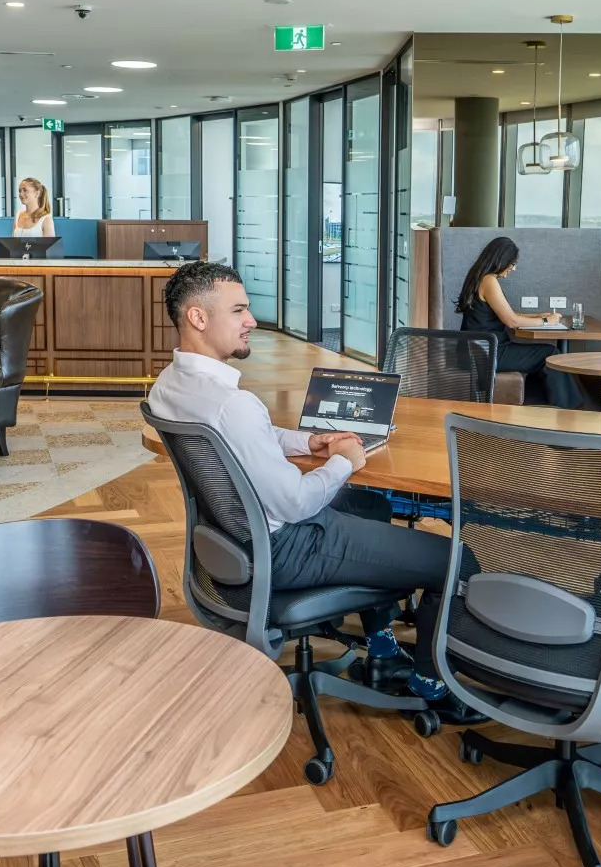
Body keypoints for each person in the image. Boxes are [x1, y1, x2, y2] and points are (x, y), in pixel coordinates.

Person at [146, 260, 476, 717]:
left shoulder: (170, 386)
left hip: (235, 539)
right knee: (456, 559)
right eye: (239, 310)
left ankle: (381, 649)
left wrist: (309, 441)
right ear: (198, 318)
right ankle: (430, 685)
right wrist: (342, 461)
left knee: (371, 504)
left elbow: (247, 438)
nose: (252, 322)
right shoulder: (233, 404)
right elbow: (297, 502)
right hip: (290, 545)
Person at [454, 237, 586, 408]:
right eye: (512, 263)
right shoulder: (489, 281)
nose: (513, 268)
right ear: (501, 259)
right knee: (551, 353)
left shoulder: (478, 277)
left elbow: (506, 313)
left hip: (477, 350)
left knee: (547, 353)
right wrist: (546, 321)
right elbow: (511, 321)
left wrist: (537, 315)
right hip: (487, 353)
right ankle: (573, 410)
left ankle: (548, 404)